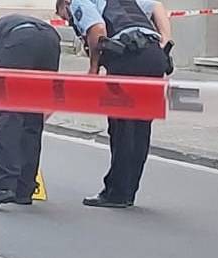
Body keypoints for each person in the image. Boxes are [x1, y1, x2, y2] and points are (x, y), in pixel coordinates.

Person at [59, 0, 169, 208]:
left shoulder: (78, 2)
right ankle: (128, 192)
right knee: (140, 127)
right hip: (154, 56)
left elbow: (97, 29)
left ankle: (116, 194)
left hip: (127, 58)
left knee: (122, 127)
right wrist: (165, 41)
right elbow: (157, 7)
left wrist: (93, 68)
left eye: (65, 16)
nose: (69, 21)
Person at [0, 15, 64, 210]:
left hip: (18, 42)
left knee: (9, 116)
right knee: (33, 116)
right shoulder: (1, 28)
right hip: (50, 40)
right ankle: (25, 189)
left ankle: (4, 186)